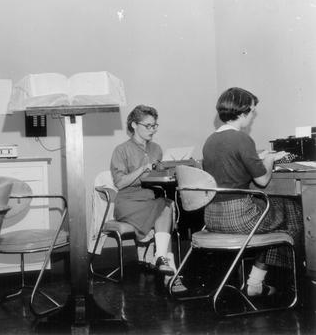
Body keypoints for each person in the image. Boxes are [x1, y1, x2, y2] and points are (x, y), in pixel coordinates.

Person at [202, 87, 303, 296]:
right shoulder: (241, 139)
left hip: (212, 217)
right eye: (252, 112)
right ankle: (267, 282)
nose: (252, 116)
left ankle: (257, 283)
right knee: (292, 209)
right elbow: (263, 180)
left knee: (277, 212)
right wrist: (268, 159)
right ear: (243, 112)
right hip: (239, 218)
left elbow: (231, 170)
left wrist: (257, 159)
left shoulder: (210, 141)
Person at [110, 105, 177, 276]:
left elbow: (157, 178)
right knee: (165, 208)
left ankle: (161, 258)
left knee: (167, 204)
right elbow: (119, 183)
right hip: (128, 202)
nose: (153, 130)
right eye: (148, 126)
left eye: (155, 125)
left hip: (150, 198)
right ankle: (168, 267)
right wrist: (142, 169)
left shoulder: (156, 149)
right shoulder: (121, 150)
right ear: (133, 125)